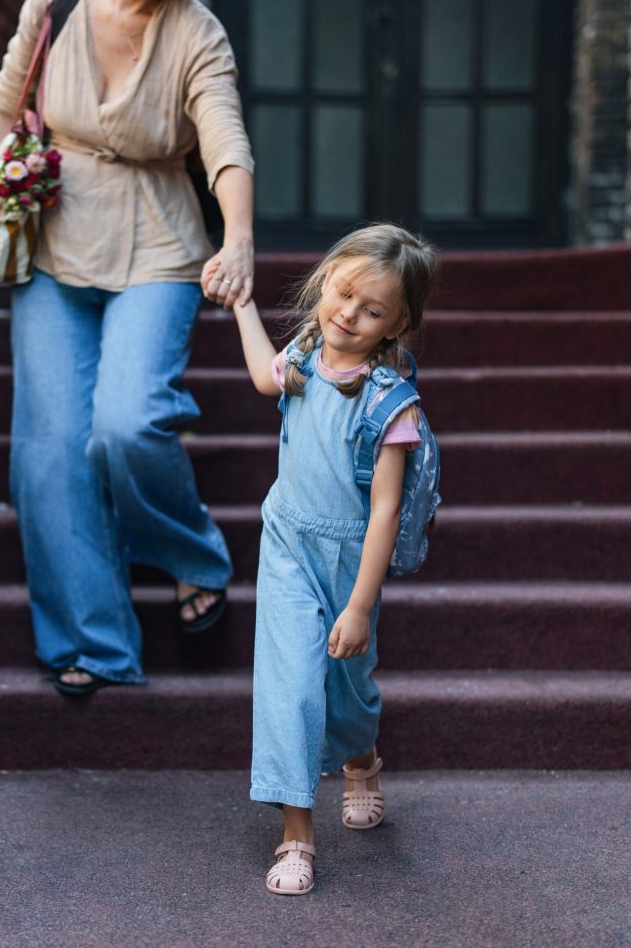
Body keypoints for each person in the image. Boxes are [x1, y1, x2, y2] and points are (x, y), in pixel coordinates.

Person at [0, 0, 256, 696]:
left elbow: (225, 140)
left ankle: (190, 554)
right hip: (53, 240)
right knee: (51, 450)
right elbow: (3, 104)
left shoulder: (197, 31)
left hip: (160, 247)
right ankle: (94, 641)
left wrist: (237, 239)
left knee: (129, 421)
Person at [224, 223, 437, 895]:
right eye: (342, 293)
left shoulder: (388, 403)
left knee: (347, 693)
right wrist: (241, 304)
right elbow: (264, 377)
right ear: (324, 284)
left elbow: (385, 511)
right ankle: (297, 836)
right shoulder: (305, 354)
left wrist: (360, 606)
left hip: (349, 558)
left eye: (371, 310)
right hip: (288, 543)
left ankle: (361, 759)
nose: (348, 314)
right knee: (289, 685)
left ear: (395, 324)